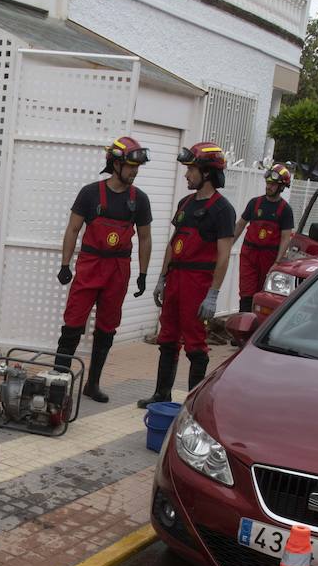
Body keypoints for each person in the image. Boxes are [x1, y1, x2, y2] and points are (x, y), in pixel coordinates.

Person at [54, 136, 152, 402]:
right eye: (130, 166)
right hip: (90, 264)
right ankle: (58, 384)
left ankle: (93, 383)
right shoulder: (90, 193)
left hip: (118, 269)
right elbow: (73, 229)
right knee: (73, 324)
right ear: (115, 164)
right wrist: (65, 264)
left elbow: (145, 238)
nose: (134, 171)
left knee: (107, 328)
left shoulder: (139, 200)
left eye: (137, 167)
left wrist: (143, 274)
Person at [138, 142, 236, 407]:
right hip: (176, 279)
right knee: (167, 337)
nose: (186, 175)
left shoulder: (223, 210)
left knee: (195, 343)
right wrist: (162, 278)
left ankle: (193, 403)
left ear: (207, 172)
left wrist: (213, 294)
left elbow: (224, 255)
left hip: (198, 283)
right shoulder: (185, 203)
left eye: (191, 170)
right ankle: (161, 394)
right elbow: (174, 242)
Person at [234, 163, 294, 311]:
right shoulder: (254, 203)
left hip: (269, 257)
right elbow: (240, 225)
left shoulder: (285, 210)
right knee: (246, 293)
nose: (269, 186)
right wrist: (226, 246)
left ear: (281, 187)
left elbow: (286, 238)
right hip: (249, 254)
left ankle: (258, 323)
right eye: (268, 183)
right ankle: (244, 321)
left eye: (273, 184)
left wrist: (277, 262)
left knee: (263, 296)